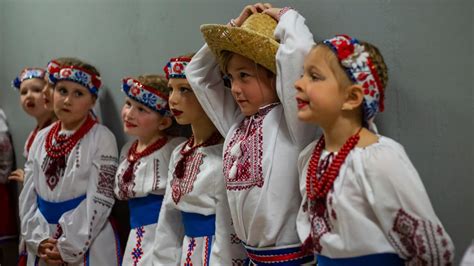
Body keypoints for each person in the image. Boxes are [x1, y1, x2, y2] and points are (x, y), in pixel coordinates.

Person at [294, 34, 454, 265]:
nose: (298, 83)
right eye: (302, 74)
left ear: (352, 97)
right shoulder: (310, 158)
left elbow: (430, 248)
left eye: (314, 76)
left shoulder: (378, 159)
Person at [186, 4, 317, 264]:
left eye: (244, 76)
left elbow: (299, 52)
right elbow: (197, 75)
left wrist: (288, 18)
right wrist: (233, 26)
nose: (234, 89)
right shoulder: (236, 126)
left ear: (274, 76)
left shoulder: (294, 123)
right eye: (230, 78)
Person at [19, 59, 121, 265]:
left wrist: (68, 246)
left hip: (86, 239)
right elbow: (28, 194)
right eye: (62, 91)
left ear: (92, 101)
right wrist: (37, 239)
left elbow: (101, 197)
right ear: (52, 92)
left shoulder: (101, 138)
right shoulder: (41, 137)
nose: (67, 100)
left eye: (78, 94)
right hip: (43, 236)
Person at [153, 54, 246, 265]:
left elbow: (226, 229)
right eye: (171, 89)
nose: (173, 99)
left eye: (184, 89)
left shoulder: (227, 154)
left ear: (210, 93)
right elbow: (168, 220)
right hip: (186, 253)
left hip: (212, 254)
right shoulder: (180, 152)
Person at [115, 74, 185, 265]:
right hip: (135, 234)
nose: (129, 114)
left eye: (141, 109)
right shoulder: (126, 151)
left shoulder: (172, 149)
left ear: (163, 122)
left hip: (162, 235)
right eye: (128, 104)